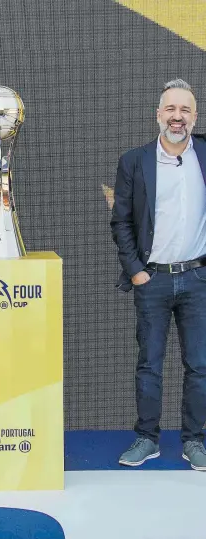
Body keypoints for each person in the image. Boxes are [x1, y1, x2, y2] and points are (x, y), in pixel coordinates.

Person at [111, 78, 206, 471]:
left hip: (198, 279)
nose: (177, 117)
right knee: (149, 363)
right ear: (157, 115)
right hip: (152, 280)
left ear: (195, 116)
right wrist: (135, 271)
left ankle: (195, 442)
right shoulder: (134, 161)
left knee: (200, 366)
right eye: (170, 109)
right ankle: (147, 438)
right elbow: (121, 222)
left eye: (185, 110)